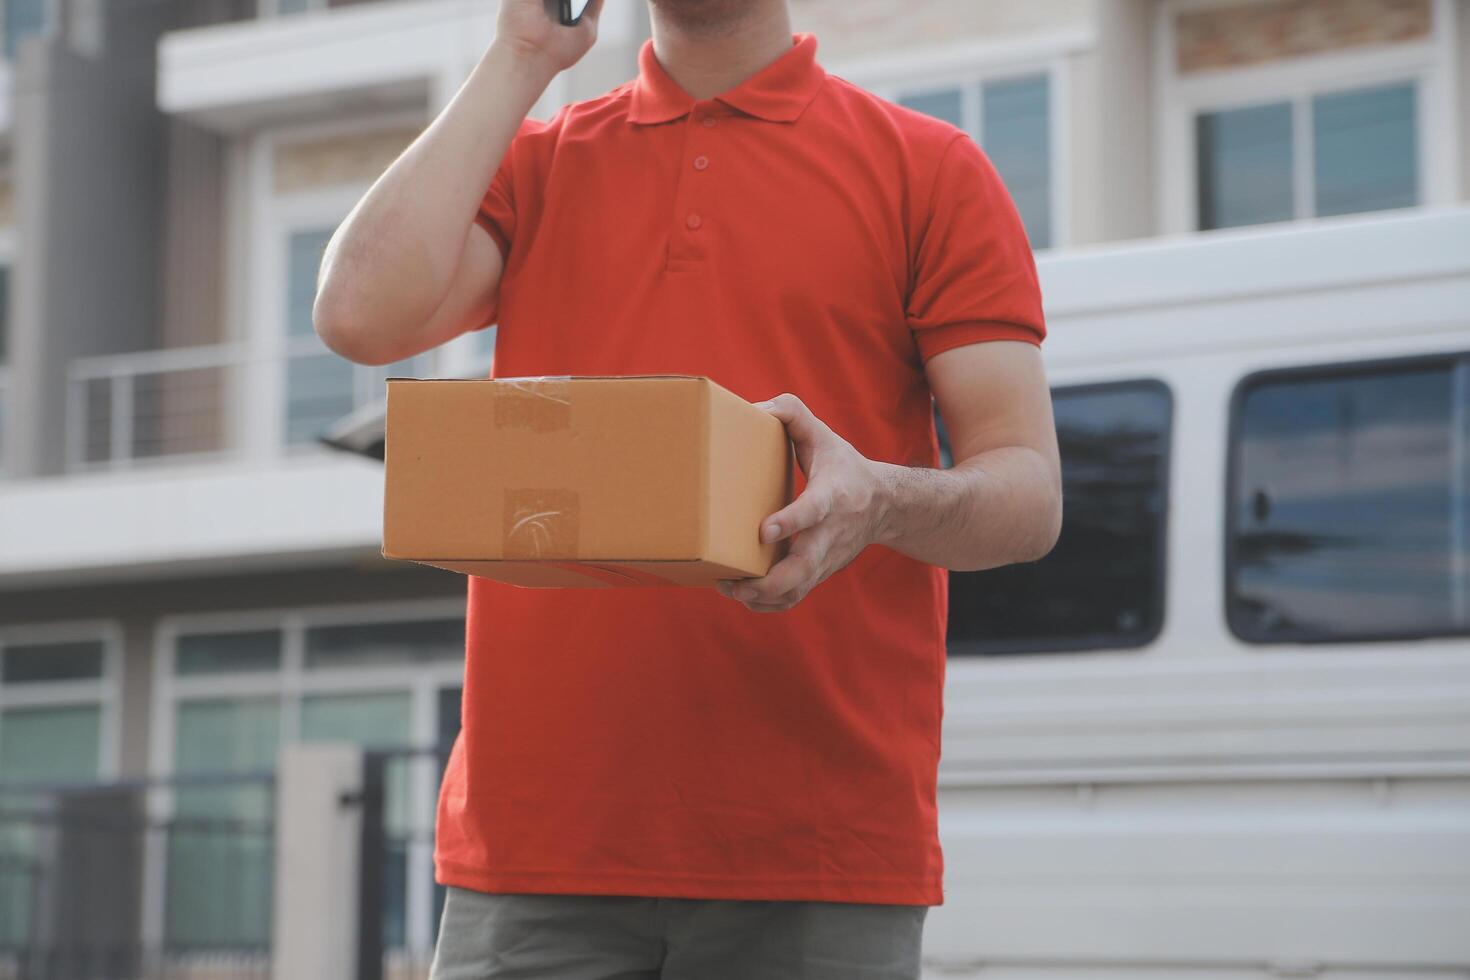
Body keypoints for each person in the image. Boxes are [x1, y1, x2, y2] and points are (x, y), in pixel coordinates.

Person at [315, 0, 1062, 975]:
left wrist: (877, 495)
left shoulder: (928, 168)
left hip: (815, 851)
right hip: (535, 848)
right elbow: (358, 315)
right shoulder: (536, 162)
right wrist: (523, 55)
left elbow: (1028, 492)